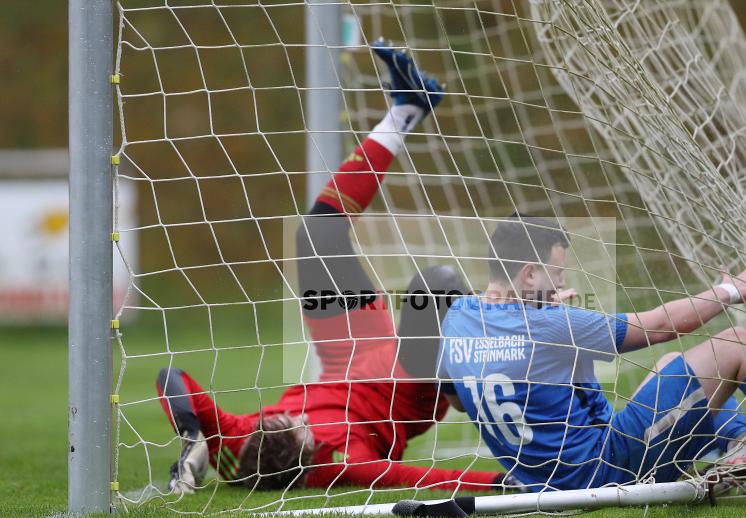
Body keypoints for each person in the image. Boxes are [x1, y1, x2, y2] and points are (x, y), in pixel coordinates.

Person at [158, 42, 509, 494]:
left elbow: (172, 377)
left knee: (315, 236)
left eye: (284, 418)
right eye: (299, 426)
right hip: (407, 388)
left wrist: (195, 437)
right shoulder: (343, 463)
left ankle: (406, 109)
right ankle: (478, 385)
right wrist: (505, 483)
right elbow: (421, 477)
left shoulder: (240, 440)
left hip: (347, 352)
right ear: (310, 454)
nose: (296, 416)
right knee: (434, 287)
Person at [438, 215, 746, 496]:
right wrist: (729, 291)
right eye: (555, 277)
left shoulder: (458, 319)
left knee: (667, 371)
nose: (561, 286)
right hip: (606, 467)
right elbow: (658, 325)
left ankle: (742, 453)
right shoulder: (551, 324)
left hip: (547, 477)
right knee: (738, 343)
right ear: (528, 273)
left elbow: (459, 398)